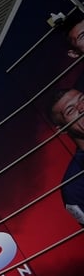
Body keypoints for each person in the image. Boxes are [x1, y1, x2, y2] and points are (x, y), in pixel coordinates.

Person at [49, 88, 84, 226]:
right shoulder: (74, 187)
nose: (81, 108)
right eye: (71, 110)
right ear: (62, 129)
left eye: (82, 100)